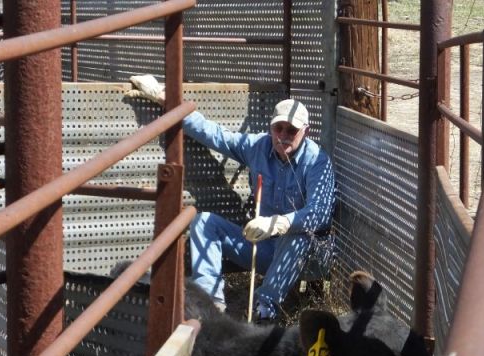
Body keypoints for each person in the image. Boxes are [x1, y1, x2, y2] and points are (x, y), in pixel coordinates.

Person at [126, 76, 335, 321]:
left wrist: (278, 223)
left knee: (298, 236)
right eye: (279, 128)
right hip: (265, 248)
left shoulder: (318, 161)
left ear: (305, 132)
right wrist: (166, 99)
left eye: (292, 130)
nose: (283, 135)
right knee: (203, 221)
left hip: (307, 257)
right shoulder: (258, 146)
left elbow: (320, 214)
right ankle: (210, 305)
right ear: (271, 128)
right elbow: (214, 134)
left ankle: (264, 310)